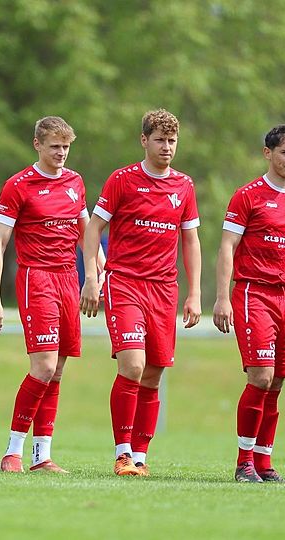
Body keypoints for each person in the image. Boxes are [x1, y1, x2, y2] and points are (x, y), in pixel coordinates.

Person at [80, 109, 201, 477]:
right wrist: (91, 277)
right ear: (144, 140)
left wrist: (194, 293)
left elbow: (191, 240)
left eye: (172, 141)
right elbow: (92, 228)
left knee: (152, 375)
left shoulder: (184, 185)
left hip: (164, 290)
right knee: (132, 365)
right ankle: (122, 454)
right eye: (160, 140)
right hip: (125, 283)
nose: (166, 147)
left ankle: (140, 457)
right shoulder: (123, 180)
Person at [0, 116, 103, 473]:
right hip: (36, 278)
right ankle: (12, 452)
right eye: (55, 146)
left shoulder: (75, 182)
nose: (61, 153)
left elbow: (86, 233)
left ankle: (42, 456)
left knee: (58, 370)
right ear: (37, 145)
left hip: (68, 278)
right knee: (44, 366)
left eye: (66, 147)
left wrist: (99, 275)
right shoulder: (18, 185)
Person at [212, 125, 285, 483]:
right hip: (255, 293)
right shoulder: (248, 196)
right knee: (261, 376)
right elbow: (227, 247)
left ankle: (264, 461)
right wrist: (222, 297)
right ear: (268, 153)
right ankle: (244, 463)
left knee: (278, 381)